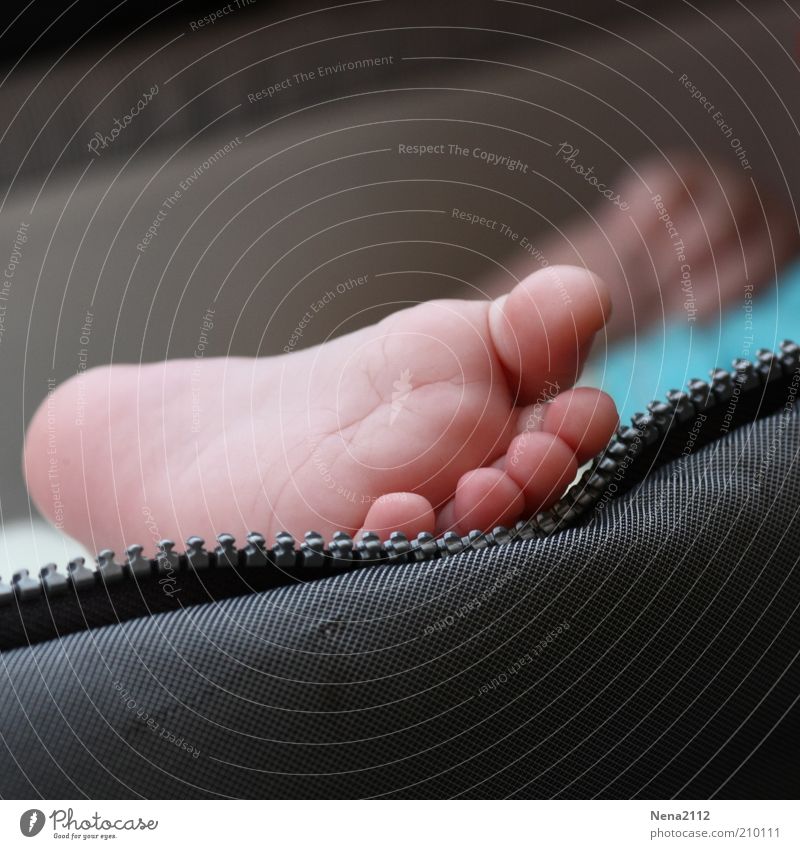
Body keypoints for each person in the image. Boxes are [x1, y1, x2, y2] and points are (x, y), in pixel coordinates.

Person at [22, 155, 798, 553]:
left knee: (498, 418)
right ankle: (389, 409)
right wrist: (632, 259)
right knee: (475, 395)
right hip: (597, 413)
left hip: (646, 469)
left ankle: (396, 428)